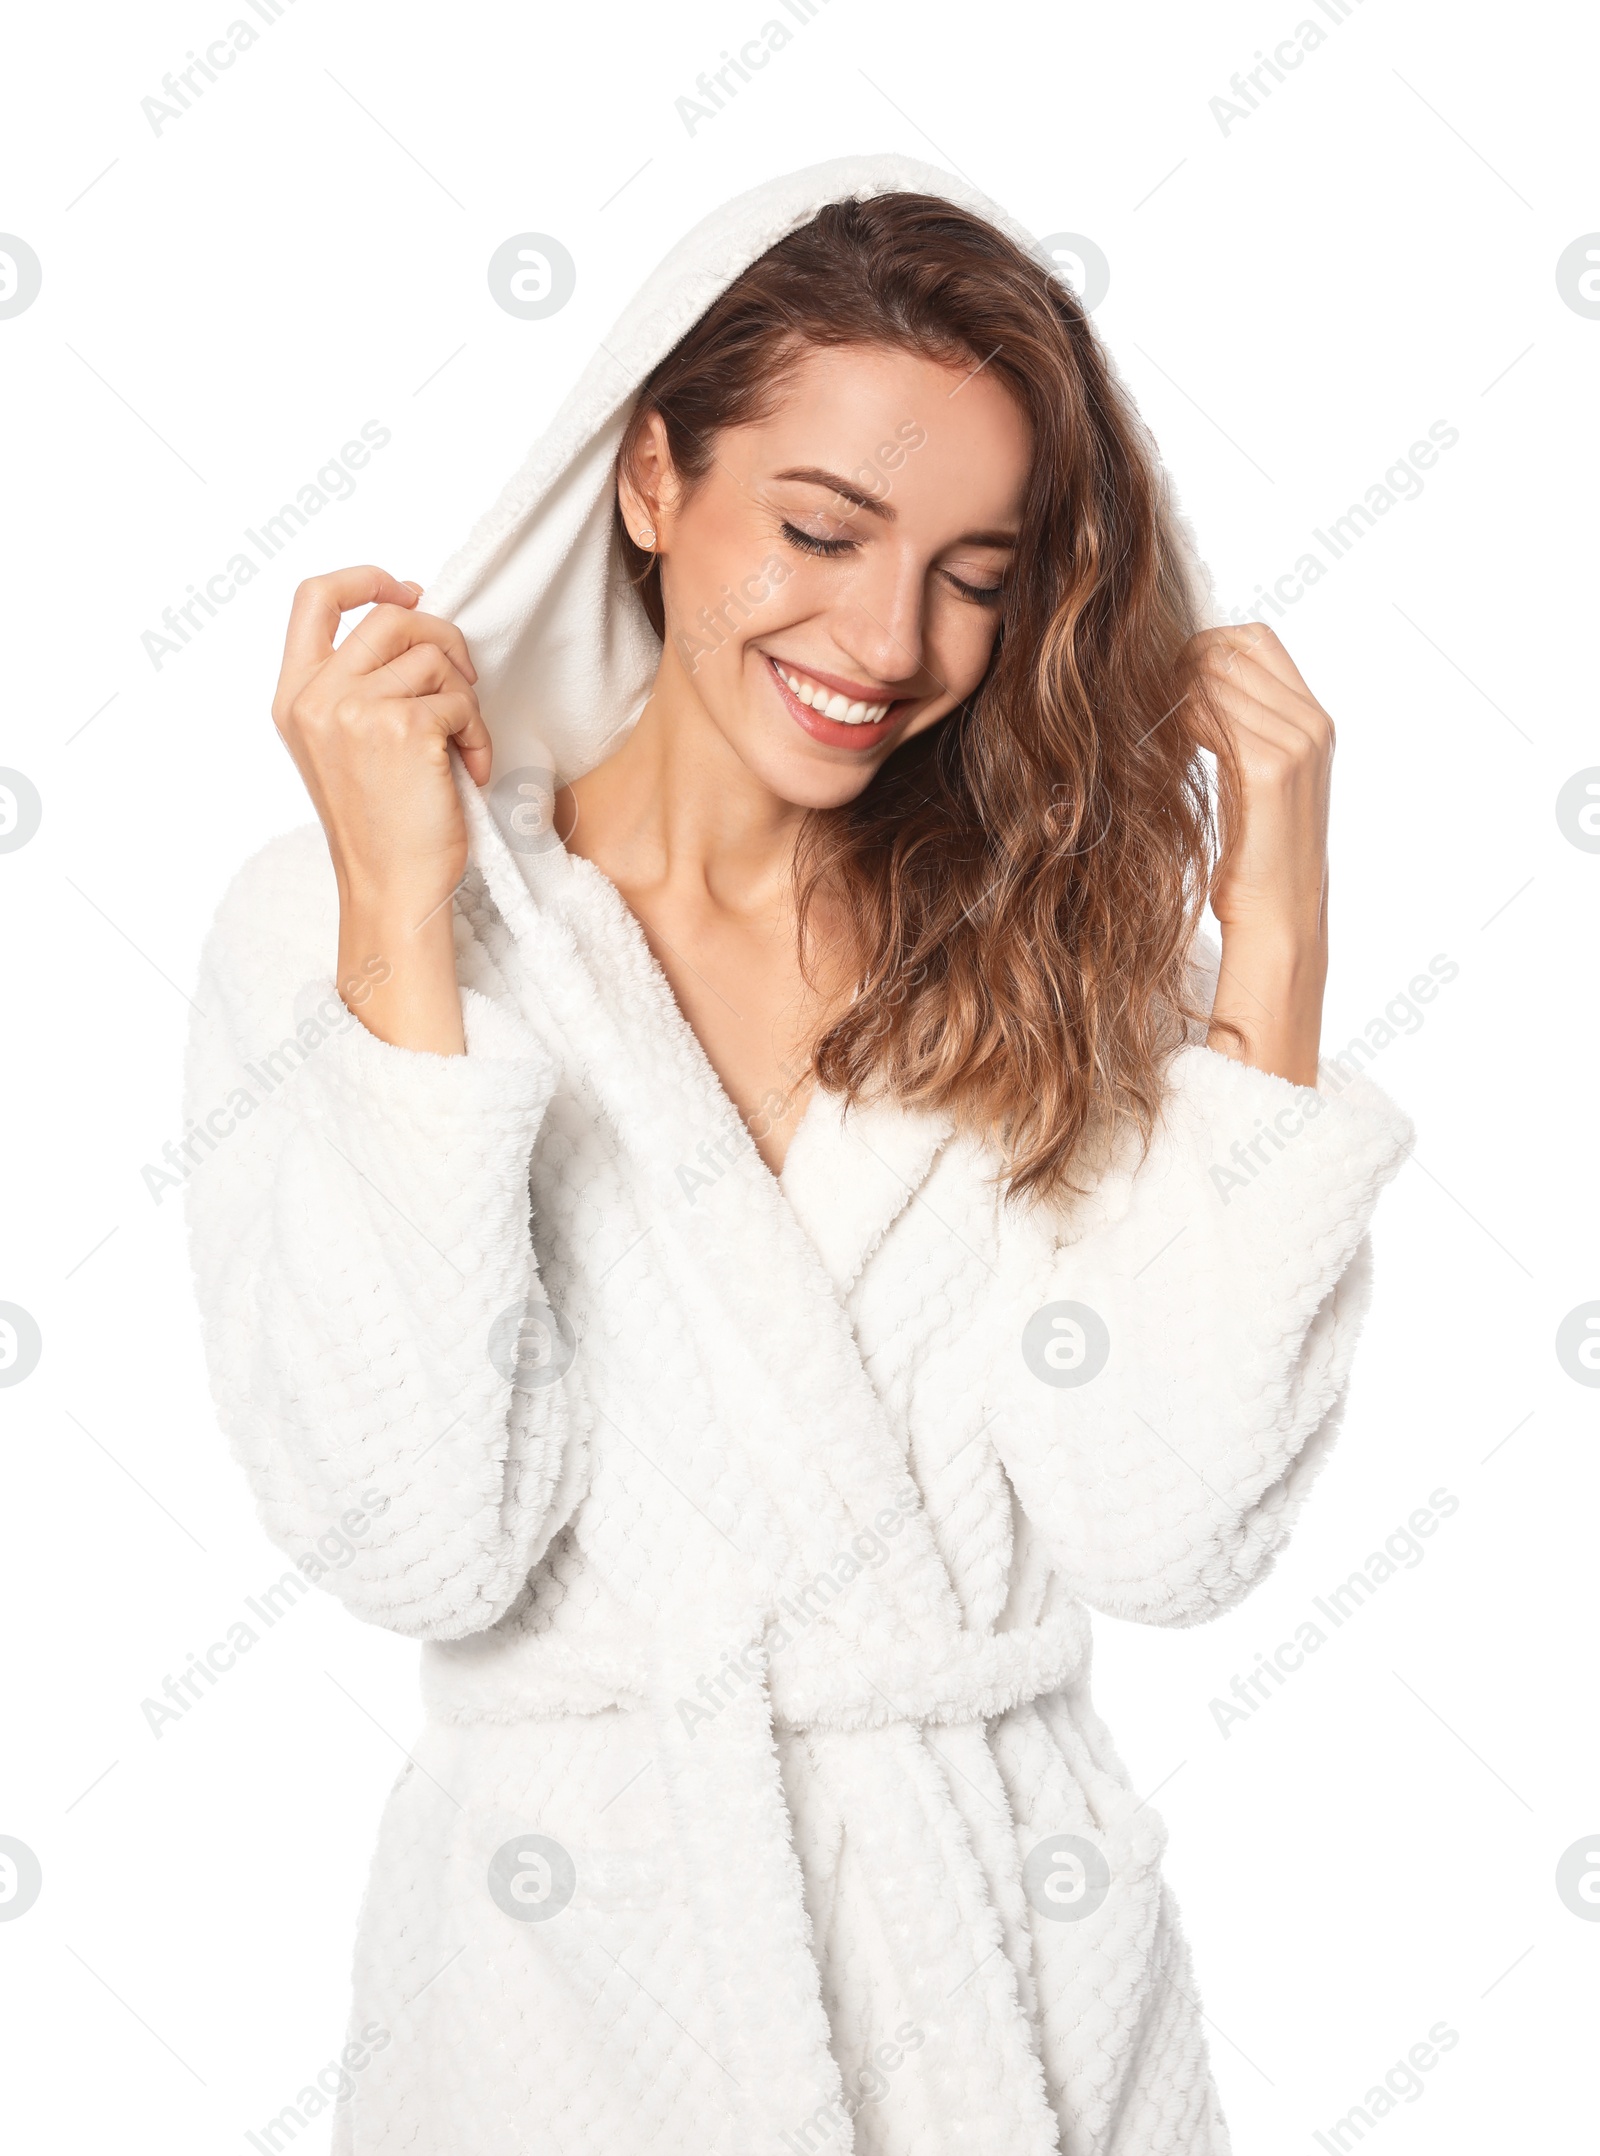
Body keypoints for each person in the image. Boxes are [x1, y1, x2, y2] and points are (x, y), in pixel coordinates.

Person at [184, 156, 1413, 2155]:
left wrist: (1266, 931)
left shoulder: (1052, 953)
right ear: (653, 478)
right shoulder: (356, 927)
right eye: (819, 529)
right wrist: (405, 927)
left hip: (1017, 1987)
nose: (886, 635)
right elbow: (408, 1537)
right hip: (565, 2009)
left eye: (973, 571)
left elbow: (1172, 1533)